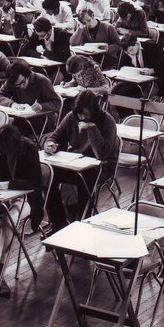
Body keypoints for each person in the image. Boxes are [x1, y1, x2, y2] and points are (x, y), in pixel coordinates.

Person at [0, 124, 44, 295]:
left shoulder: (29, 149)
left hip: (25, 197)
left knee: (10, 219)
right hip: (3, 194)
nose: (1, 154)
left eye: (5, 151)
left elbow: (35, 182)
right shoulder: (0, 148)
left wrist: (8, 184)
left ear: (13, 146)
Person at [44, 91, 118, 230]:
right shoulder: (72, 117)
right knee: (49, 174)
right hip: (76, 163)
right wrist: (49, 145)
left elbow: (102, 154)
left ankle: (82, 223)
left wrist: (92, 128)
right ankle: (58, 222)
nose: (81, 117)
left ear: (94, 111)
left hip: (101, 167)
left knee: (86, 179)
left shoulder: (107, 121)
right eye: (79, 114)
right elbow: (55, 137)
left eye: (85, 114)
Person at [0, 61, 61, 126]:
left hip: (42, 120)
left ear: (27, 74)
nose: (21, 86)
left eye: (23, 82)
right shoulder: (11, 81)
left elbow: (58, 103)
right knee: (4, 127)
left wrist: (42, 106)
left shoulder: (42, 81)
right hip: (21, 118)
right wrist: (12, 104)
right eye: (17, 85)